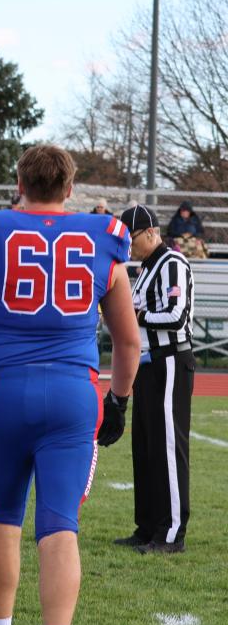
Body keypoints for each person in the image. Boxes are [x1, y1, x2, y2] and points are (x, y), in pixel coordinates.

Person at [0, 144, 141, 625]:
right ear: (70, 188)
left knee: (2, 514)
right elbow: (127, 340)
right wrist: (119, 398)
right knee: (59, 526)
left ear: (20, 184)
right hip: (75, 393)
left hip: (7, 392)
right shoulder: (104, 239)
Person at [114, 205, 195, 554]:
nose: (128, 247)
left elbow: (176, 315)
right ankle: (147, 526)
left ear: (150, 232)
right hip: (148, 364)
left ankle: (172, 532)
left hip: (170, 362)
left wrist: (136, 315)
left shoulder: (172, 263)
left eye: (131, 239)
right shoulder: (145, 269)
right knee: (145, 448)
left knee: (167, 447)